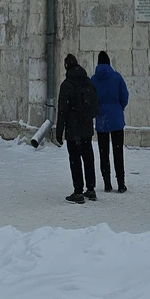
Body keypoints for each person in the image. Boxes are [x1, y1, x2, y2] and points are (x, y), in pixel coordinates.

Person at [55, 52, 99, 204]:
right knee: (88, 158)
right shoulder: (87, 82)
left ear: (66, 66)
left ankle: (78, 191)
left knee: (75, 160)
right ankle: (91, 189)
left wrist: (59, 131)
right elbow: (95, 103)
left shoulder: (67, 85)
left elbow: (62, 110)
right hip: (86, 127)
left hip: (73, 129)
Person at [90, 51, 129, 193]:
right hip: (116, 118)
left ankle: (107, 182)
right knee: (118, 152)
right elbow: (124, 95)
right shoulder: (117, 77)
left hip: (101, 119)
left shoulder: (93, 79)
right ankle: (121, 183)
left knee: (103, 152)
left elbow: (91, 98)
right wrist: (119, 108)